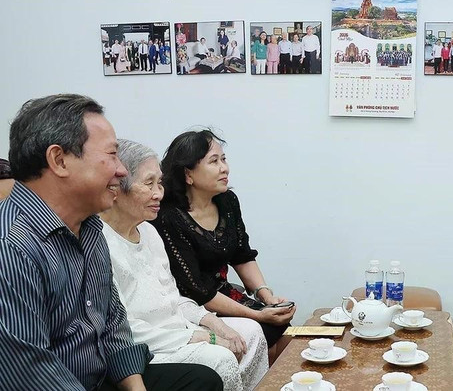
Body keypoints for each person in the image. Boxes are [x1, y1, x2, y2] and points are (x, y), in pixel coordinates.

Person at [0, 93, 223, 390]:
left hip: (99, 376)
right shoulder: (12, 246)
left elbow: (114, 324)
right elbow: (29, 372)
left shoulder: (90, 227)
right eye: (111, 155)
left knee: (201, 380)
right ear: (59, 160)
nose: (121, 170)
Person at [101, 139, 270, 391]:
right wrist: (203, 336)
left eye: (159, 183)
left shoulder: (148, 232)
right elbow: (121, 327)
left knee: (251, 332)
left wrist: (214, 323)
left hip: (179, 327)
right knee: (221, 358)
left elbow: (173, 297)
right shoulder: (101, 242)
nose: (159, 193)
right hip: (151, 344)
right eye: (149, 184)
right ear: (116, 188)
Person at [152, 130, 295, 357]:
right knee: (263, 327)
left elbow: (242, 255)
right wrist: (257, 315)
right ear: (188, 174)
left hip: (225, 294)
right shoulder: (168, 217)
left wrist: (267, 298)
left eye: (224, 159)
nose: (224, 168)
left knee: (283, 327)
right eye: (214, 161)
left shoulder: (227, 201)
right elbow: (196, 290)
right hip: (192, 307)